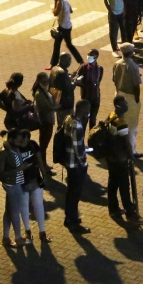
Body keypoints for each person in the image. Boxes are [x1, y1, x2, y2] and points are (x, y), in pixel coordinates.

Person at [59, 100, 92, 234]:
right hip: (76, 164)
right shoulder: (77, 126)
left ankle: (70, 217)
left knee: (70, 192)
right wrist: (84, 163)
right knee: (75, 193)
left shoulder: (68, 118)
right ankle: (72, 220)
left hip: (68, 160)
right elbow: (79, 150)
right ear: (83, 110)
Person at [105, 95, 139, 222]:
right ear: (118, 106)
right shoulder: (121, 122)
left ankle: (113, 208)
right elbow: (126, 143)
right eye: (124, 103)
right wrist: (131, 156)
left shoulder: (111, 116)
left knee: (112, 183)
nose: (126, 105)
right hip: (120, 159)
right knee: (124, 186)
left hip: (111, 157)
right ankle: (130, 212)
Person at [113, 44, 143, 155]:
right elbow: (136, 86)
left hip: (119, 94)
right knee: (131, 126)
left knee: (121, 121)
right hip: (130, 97)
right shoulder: (133, 66)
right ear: (131, 52)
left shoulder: (117, 64)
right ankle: (132, 150)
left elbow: (114, 80)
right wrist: (137, 100)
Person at [52, 0, 85, 66]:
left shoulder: (59, 2)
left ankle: (53, 63)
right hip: (68, 25)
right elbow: (71, 10)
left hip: (63, 27)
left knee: (59, 45)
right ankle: (80, 61)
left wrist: (54, 5)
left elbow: (55, 13)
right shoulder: (66, 0)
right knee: (66, 44)